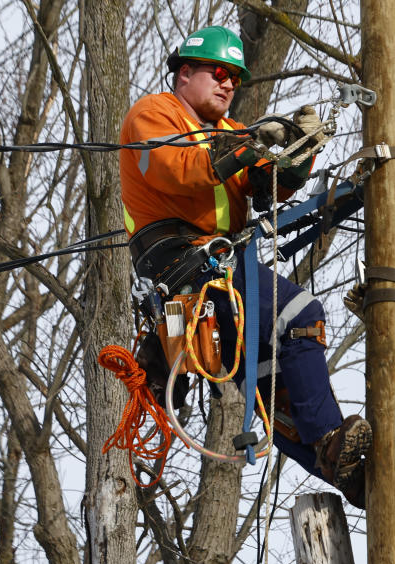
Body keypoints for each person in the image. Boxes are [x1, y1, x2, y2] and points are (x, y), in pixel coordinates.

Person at [118, 25, 371, 508]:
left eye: (235, 77)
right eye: (218, 72)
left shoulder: (233, 133)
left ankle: (347, 473)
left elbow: (267, 189)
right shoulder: (153, 115)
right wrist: (249, 144)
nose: (228, 83)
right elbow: (179, 169)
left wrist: (301, 153)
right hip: (183, 262)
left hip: (220, 264)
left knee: (272, 385)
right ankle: (331, 440)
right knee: (297, 315)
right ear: (184, 73)